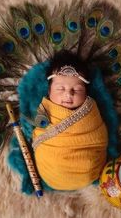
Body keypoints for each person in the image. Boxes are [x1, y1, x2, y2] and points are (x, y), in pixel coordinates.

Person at [31, 50, 109, 190]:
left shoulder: (91, 112)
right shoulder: (45, 111)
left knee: (89, 163)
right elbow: (39, 133)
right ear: (49, 91)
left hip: (88, 170)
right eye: (60, 88)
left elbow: (99, 136)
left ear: (86, 93)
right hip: (51, 170)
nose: (68, 93)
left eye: (77, 89)